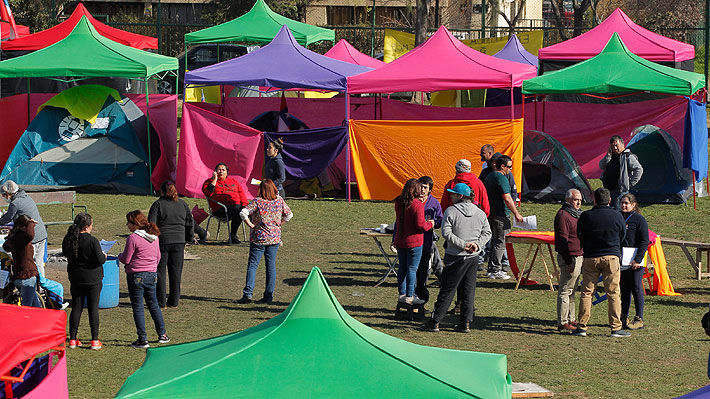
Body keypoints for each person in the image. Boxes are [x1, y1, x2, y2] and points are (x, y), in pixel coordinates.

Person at [423, 183, 491, 333]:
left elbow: (446, 233)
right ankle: (465, 322)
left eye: (453, 194)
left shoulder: (451, 211)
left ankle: (435, 321)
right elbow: (487, 233)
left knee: (447, 290)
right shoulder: (479, 213)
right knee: (468, 290)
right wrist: (476, 245)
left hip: (455, 256)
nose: (450, 196)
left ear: (460, 196)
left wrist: (463, 245)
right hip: (473, 257)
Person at [573, 188, 629, 338]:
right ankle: (616, 327)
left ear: (594, 200)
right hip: (611, 257)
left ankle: (582, 326)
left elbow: (580, 234)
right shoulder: (617, 216)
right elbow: (622, 235)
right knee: (613, 293)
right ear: (610, 200)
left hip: (591, 257)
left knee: (586, 293)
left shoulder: (586, 216)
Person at [119, 210, 170, 349]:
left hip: (137, 275)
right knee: (153, 304)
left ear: (135, 224)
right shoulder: (154, 237)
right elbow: (158, 257)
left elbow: (126, 259)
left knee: (138, 307)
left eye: (129, 222)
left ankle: (143, 338)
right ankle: (162, 334)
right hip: (152, 274)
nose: (127, 225)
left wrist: (119, 256)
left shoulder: (133, 238)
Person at [236, 179, 293, 304]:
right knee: (270, 267)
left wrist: (251, 224)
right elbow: (289, 215)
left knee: (253, 265)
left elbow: (243, 213)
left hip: (258, 238)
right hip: (274, 239)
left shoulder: (258, 202)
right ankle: (268, 296)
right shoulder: (279, 201)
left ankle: (248, 294)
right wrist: (279, 225)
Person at [62, 213, 106, 350]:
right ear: (87, 227)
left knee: (76, 307)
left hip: (76, 278)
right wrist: (104, 255)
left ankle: (73, 339)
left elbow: (65, 253)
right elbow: (100, 259)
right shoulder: (92, 241)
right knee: (93, 308)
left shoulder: (69, 239)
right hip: (92, 279)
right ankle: (94, 340)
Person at [148, 181, 194, 308]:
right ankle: (174, 301)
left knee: (160, 272)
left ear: (161, 191)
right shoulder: (182, 204)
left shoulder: (157, 204)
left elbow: (151, 224)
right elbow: (190, 222)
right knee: (176, 273)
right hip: (179, 241)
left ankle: (161, 301)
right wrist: (189, 238)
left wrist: (152, 239)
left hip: (162, 242)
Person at [393, 179, 434, 305]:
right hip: (414, 241)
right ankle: (410, 295)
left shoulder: (399, 202)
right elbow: (420, 225)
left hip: (401, 239)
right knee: (412, 268)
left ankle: (402, 293)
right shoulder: (417, 205)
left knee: (402, 268)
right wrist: (430, 224)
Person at [484, 155, 524, 280]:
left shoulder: (489, 176)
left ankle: (491, 269)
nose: (510, 169)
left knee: (494, 241)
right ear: (502, 166)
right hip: (500, 214)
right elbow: (507, 198)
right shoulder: (501, 178)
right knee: (500, 242)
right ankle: (496, 269)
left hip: (491, 213)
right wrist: (516, 213)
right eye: (509, 167)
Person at [0, 181, 47, 277]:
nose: (4, 197)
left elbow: (7, 218)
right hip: (41, 233)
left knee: (29, 263)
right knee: (39, 263)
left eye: (4, 195)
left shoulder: (15, 203)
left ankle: (32, 284)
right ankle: (41, 285)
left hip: (32, 236)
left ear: (9, 194)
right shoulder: (26, 197)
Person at [554, 189, 584, 332]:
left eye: (580, 199)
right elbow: (562, 240)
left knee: (572, 290)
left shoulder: (577, 214)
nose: (578, 202)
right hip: (570, 257)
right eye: (575, 200)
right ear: (568, 200)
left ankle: (571, 318)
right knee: (566, 289)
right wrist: (568, 262)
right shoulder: (563, 215)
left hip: (578, 256)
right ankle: (563, 321)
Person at [619, 193, 649, 330]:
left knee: (636, 287)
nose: (624, 205)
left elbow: (644, 241)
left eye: (626, 203)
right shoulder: (618, 217)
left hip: (636, 259)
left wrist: (638, 259)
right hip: (622, 259)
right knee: (624, 288)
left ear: (633, 205)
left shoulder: (639, 219)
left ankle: (639, 318)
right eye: (622, 203)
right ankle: (623, 316)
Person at [202, 163, 249, 244]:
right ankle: (233, 236)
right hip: (220, 209)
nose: (221, 171)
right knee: (238, 212)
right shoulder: (209, 182)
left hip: (237, 207)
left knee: (250, 211)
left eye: (223, 170)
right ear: (215, 172)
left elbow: (242, 194)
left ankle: (256, 235)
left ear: (227, 172)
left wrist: (245, 206)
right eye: (219, 170)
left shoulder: (233, 181)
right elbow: (207, 193)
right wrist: (215, 180)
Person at [414, 176, 443, 303]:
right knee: (412, 271)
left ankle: (422, 300)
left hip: (426, 242)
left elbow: (440, 220)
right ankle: (412, 297)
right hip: (413, 242)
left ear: (430, 190)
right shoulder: (412, 201)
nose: (422, 190)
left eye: (425, 187)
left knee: (423, 272)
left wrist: (434, 223)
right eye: (420, 186)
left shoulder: (434, 203)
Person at [2, 215, 41, 307]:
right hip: (28, 276)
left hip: (18, 277)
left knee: (37, 306)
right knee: (26, 307)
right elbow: (30, 235)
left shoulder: (13, 238)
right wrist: (31, 223)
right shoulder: (24, 239)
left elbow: (5, 247)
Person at [599, 135, 643, 210]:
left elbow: (639, 169)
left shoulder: (627, 156)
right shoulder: (611, 156)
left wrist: (629, 183)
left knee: (618, 211)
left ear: (622, 144)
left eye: (616, 145)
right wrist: (608, 155)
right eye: (613, 146)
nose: (615, 148)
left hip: (619, 191)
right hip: (608, 189)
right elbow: (601, 166)